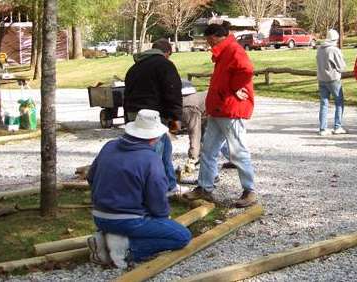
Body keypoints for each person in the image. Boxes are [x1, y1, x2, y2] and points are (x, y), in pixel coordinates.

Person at [86, 109, 192, 268]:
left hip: (99, 216)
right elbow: (157, 201)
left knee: (152, 225)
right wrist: (163, 218)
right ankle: (125, 249)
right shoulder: (150, 159)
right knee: (182, 236)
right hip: (129, 220)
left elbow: (91, 177)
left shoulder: (109, 146)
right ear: (154, 138)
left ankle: (105, 238)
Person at [183, 23, 257, 208]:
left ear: (216, 37)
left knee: (238, 151)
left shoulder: (234, 50)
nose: (208, 44)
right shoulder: (224, 52)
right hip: (218, 109)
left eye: (209, 40)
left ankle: (250, 191)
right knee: (208, 150)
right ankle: (204, 188)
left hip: (230, 109)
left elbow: (247, 71)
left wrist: (234, 89)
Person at [123, 38, 184, 194]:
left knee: (164, 150)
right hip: (152, 116)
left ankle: (170, 184)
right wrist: (176, 117)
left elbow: (126, 95)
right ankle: (151, 191)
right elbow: (173, 92)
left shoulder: (134, 68)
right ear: (167, 53)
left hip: (133, 114)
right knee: (152, 156)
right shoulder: (165, 65)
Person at [316, 29, 347, 136]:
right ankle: (337, 126)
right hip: (333, 80)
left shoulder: (320, 49)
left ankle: (322, 129)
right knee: (339, 103)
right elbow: (342, 67)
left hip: (321, 79)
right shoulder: (334, 50)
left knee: (324, 104)